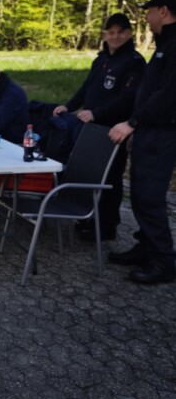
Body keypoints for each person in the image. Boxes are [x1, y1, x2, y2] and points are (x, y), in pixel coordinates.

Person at [52, 13, 146, 242]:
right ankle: (88, 218)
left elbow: (128, 97)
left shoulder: (134, 62)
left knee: (109, 178)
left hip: (114, 129)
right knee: (89, 173)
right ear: (105, 34)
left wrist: (96, 113)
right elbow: (87, 88)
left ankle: (106, 226)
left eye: (120, 32)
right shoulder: (101, 60)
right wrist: (70, 105)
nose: (115, 37)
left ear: (128, 34)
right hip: (91, 128)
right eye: (110, 32)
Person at [108, 0, 176, 285]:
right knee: (137, 191)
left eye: (149, 11)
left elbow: (168, 95)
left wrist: (132, 122)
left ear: (164, 11)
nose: (146, 17)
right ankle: (146, 247)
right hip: (150, 130)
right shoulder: (165, 44)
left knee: (149, 196)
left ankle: (163, 262)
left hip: (162, 132)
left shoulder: (175, 45)